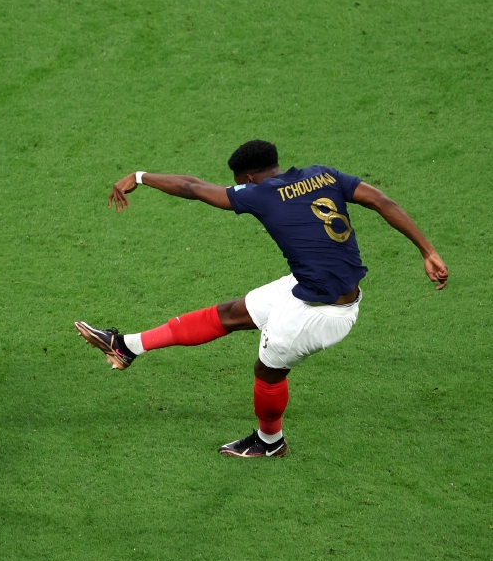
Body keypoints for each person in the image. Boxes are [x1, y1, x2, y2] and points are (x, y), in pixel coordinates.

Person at [75, 139, 448, 457]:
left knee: (267, 370)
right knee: (231, 313)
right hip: (310, 287)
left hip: (322, 312)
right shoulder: (324, 175)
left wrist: (139, 176)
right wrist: (428, 251)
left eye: (238, 182)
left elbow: (192, 186)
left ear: (248, 178)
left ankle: (270, 442)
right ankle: (127, 347)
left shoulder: (260, 194)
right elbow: (381, 200)